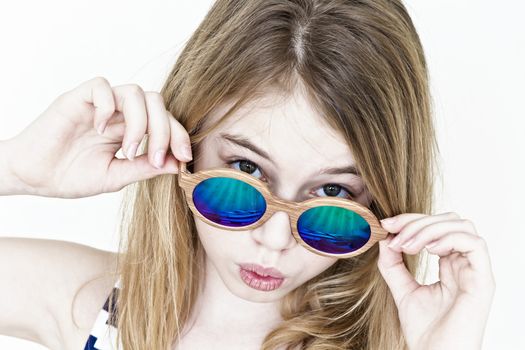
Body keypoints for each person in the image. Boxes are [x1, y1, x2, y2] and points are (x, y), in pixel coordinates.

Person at [0, 0, 496, 349]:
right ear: (186, 145)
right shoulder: (93, 303)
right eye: (245, 171)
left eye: (331, 193)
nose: (276, 238)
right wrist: (19, 168)